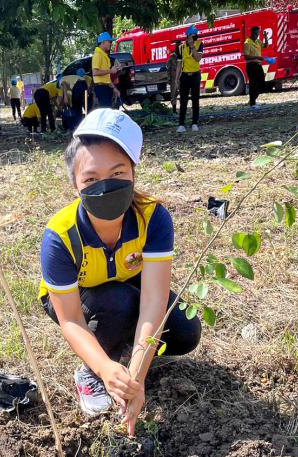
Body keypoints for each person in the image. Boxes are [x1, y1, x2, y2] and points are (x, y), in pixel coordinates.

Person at [39, 109, 200, 434]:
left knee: (184, 331)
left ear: (133, 173)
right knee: (117, 305)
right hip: (80, 301)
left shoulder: (153, 218)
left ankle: (128, 352)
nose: (105, 186)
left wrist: (137, 377)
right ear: (75, 184)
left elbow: (155, 301)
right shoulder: (60, 235)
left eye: (117, 173)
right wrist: (103, 368)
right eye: (91, 179)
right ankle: (91, 372)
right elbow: (70, 319)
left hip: (131, 287)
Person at [174, 25, 203, 133]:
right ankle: (181, 124)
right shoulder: (181, 47)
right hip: (185, 76)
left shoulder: (199, 44)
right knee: (183, 101)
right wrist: (176, 79)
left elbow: (198, 58)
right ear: (188, 35)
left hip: (196, 74)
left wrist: (192, 46)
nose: (195, 37)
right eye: (193, 35)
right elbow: (179, 64)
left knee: (195, 100)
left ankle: (195, 123)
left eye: (196, 35)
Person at [92, 32, 120, 109]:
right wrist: (111, 71)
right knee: (106, 113)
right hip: (101, 89)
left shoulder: (103, 55)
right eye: (109, 42)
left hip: (106, 88)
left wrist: (114, 89)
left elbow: (106, 78)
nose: (110, 44)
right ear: (103, 42)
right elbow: (95, 72)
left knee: (108, 111)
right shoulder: (98, 55)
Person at [244, 26, 269, 111]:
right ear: (252, 33)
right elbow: (246, 57)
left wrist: (265, 37)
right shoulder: (247, 42)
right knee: (253, 84)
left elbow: (265, 46)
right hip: (251, 66)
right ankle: (252, 103)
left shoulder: (258, 41)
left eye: (258, 33)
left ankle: (253, 99)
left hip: (258, 65)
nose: (257, 35)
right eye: (256, 33)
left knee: (261, 83)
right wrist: (258, 57)